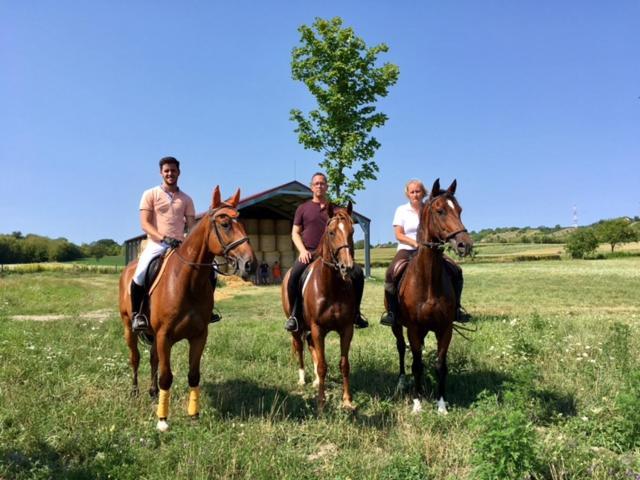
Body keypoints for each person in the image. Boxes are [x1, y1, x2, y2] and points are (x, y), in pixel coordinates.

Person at [130, 156, 220, 332]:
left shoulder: (186, 199)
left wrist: (189, 240)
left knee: (213, 270)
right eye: (166, 171)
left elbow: (193, 226)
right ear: (161, 173)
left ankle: (207, 310)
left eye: (173, 170)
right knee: (140, 273)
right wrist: (163, 238)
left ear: (179, 172)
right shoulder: (150, 194)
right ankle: (138, 314)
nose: (170, 173)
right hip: (157, 243)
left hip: (180, 244)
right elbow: (145, 223)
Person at [284, 172, 369, 332]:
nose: (319, 186)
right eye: (316, 183)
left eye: (322, 183)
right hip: (309, 252)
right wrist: (302, 251)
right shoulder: (303, 208)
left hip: (332, 255)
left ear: (327, 186)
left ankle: (356, 313)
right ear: (311, 187)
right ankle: (294, 315)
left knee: (357, 273)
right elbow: (295, 233)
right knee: (294, 275)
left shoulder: (336, 209)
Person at [379, 179, 470, 326]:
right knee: (391, 272)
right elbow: (399, 234)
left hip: (431, 250)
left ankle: (456, 309)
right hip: (407, 249)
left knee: (456, 270)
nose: (415, 195)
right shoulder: (401, 210)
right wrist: (416, 244)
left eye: (418, 191)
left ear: (424, 193)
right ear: (408, 194)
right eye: (412, 192)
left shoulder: (431, 207)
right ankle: (392, 313)